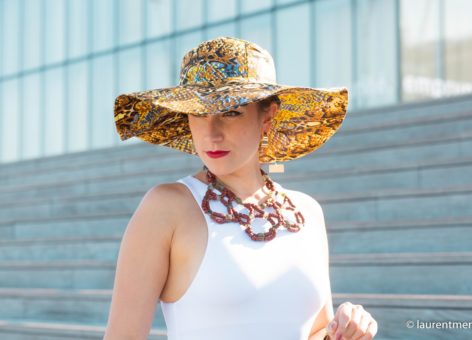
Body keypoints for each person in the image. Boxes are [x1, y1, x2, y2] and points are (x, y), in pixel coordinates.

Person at [105, 36, 378, 340]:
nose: (211, 133)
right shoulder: (167, 207)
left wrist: (347, 329)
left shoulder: (307, 212)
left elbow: (314, 331)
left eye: (230, 112)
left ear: (268, 116)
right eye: (197, 113)